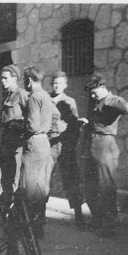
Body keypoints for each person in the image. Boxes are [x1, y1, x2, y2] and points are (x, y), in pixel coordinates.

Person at [84, 73, 128, 237]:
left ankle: (109, 226)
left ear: (103, 88)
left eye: (94, 91)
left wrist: (108, 98)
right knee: (90, 186)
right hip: (93, 145)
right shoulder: (97, 101)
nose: (92, 95)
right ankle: (97, 219)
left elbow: (126, 108)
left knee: (106, 188)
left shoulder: (112, 100)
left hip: (105, 145)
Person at [48, 71, 88, 230]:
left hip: (65, 145)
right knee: (44, 180)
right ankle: (37, 217)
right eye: (54, 83)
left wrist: (77, 127)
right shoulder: (46, 100)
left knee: (72, 180)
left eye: (60, 83)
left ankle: (79, 217)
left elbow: (74, 126)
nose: (57, 86)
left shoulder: (70, 102)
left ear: (65, 85)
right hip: (50, 145)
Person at [18, 66, 54, 237]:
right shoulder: (46, 95)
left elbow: (32, 125)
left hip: (33, 143)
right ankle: (38, 226)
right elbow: (55, 116)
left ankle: (29, 228)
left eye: (25, 80)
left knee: (29, 186)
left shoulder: (33, 98)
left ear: (30, 80)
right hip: (44, 142)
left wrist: (21, 124)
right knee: (40, 186)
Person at [0, 65, 28, 222]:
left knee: (14, 181)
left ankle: (8, 215)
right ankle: (5, 214)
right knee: (6, 180)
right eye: (1, 78)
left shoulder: (22, 95)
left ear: (15, 79)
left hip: (16, 145)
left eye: (5, 78)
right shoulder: (8, 96)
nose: (2, 81)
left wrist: (19, 126)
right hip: (6, 143)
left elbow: (31, 118)